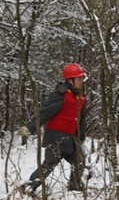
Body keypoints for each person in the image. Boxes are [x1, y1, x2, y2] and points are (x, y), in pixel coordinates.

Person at [18, 63, 88, 192]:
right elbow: (44, 112)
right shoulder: (60, 95)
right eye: (78, 79)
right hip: (55, 139)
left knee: (79, 161)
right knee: (48, 165)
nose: (81, 81)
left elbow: (82, 120)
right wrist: (31, 127)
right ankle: (28, 188)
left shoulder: (81, 96)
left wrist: (81, 138)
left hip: (71, 139)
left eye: (82, 79)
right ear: (70, 80)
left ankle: (74, 189)